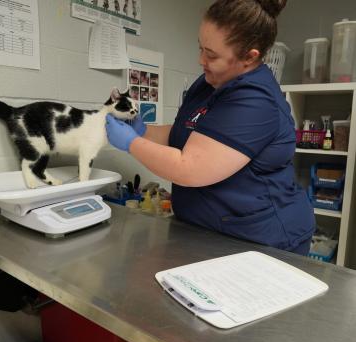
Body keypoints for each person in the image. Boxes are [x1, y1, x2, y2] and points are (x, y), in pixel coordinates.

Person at [105, 0, 315, 255]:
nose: (200, 59)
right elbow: (185, 133)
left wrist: (131, 143)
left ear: (250, 57)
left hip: (260, 241)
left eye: (211, 55)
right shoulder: (210, 82)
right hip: (208, 231)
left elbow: (190, 167)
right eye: (201, 48)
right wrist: (143, 131)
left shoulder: (256, 101)